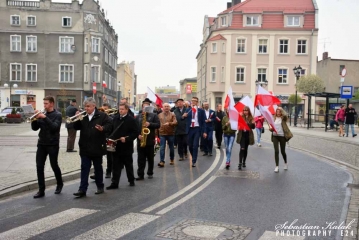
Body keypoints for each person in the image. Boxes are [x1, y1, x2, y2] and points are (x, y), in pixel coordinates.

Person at [73, 98, 112, 198]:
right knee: (84, 168)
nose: (86, 109)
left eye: (88, 106)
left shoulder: (102, 115)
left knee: (98, 168)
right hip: (85, 147)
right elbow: (76, 127)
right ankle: (82, 189)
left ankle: (100, 186)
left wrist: (102, 128)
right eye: (85, 107)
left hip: (97, 146)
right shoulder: (84, 116)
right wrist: (78, 118)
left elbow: (110, 126)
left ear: (94, 106)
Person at [31, 96, 64, 198]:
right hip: (41, 144)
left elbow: (54, 127)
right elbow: (35, 128)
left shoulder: (57, 115)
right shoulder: (42, 114)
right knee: (39, 167)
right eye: (44, 103)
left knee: (54, 165)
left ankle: (59, 184)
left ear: (52, 104)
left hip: (53, 144)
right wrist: (35, 119)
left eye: (46, 103)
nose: (44, 105)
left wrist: (45, 118)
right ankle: (41, 190)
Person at [107, 103, 138, 189]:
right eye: (119, 109)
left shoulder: (131, 120)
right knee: (115, 165)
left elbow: (135, 132)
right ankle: (114, 183)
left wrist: (127, 139)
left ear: (127, 110)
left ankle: (131, 180)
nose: (120, 111)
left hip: (126, 146)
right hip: (116, 146)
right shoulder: (115, 118)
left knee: (128, 165)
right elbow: (112, 130)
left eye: (122, 109)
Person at [136, 98, 160, 180]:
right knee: (140, 159)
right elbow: (134, 128)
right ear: (142, 107)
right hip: (140, 140)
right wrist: (138, 135)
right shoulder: (138, 116)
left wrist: (149, 124)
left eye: (146, 107)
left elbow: (158, 125)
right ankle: (140, 174)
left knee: (150, 158)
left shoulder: (154, 115)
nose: (145, 108)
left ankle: (150, 172)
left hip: (150, 140)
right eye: (143, 107)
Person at [90, 103, 113, 179]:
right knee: (98, 158)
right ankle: (96, 173)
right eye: (103, 109)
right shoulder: (98, 117)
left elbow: (111, 128)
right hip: (99, 139)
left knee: (109, 157)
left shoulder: (111, 118)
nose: (103, 111)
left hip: (108, 138)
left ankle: (108, 171)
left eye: (105, 109)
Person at [185, 97, 207, 167]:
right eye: (192, 101)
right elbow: (181, 119)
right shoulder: (188, 110)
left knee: (195, 145)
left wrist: (204, 132)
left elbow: (204, 122)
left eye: (195, 101)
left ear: (197, 102)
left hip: (197, 129)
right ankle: (193, 155)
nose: (193, 102)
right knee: (190, 146)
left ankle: (194, 160)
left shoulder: (201, 111)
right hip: (190, 129)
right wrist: (183, 116)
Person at [269, 107, 292, 173]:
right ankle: (277, 166)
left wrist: (281, 109)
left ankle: (285, 163)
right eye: (277, 111)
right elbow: (273, 127)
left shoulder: (283, 118)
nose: (278, 112)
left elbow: (285, 115)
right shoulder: (274, 118)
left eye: (279, 111)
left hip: (282, 136)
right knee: (276, 151)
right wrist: (271, 129)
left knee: (283, 151)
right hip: (275, 136)